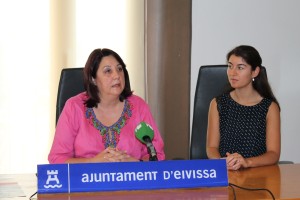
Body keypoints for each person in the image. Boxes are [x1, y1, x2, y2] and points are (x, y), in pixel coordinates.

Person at [48, 48, 165, 163]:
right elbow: (57, 159)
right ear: (93, 79)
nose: (117, 75)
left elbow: (157, 155)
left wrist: (133, 162)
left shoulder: (139, 106)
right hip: (88, 181)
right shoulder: (74, 107)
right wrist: (93, 162)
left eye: (120, 69)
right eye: (108, 71)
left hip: (131, 180)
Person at [206, 45, 281, 170]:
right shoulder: (218, 103)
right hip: (226, 172)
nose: (232, 73)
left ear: (255, 72)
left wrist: (246, 162)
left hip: (257, 174)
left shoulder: (269, 107)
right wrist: (222, 163)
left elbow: (273, 154)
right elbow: (211, 148)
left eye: (240, 67)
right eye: (230, 66)